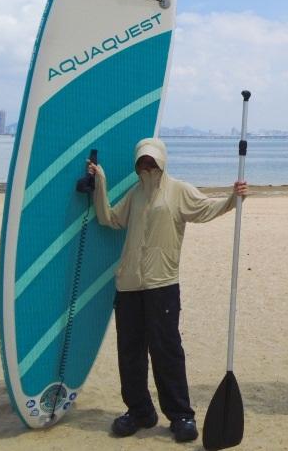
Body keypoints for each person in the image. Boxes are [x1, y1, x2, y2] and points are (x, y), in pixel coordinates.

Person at [87, 137, 247, 443]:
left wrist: (232, 197)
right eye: (142, 160)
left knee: (167, 351)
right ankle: (139, 411)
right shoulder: (134, 195)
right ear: (137, 163)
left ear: (161, 161)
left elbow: (205, 209)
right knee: (130, 352)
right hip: (129, 286)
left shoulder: (178, 190)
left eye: (152, 160)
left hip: (163, 285)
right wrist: (100, 183)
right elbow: (108, 218)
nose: (147, 165)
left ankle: (181, 415)